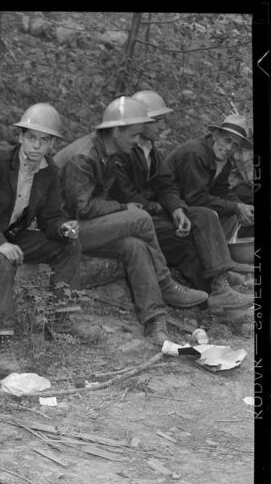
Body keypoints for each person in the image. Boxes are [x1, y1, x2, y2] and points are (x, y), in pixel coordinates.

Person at [53, 96, 208, 345]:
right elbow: (80, 208)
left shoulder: (110, 153)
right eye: (134, 135)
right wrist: (124, 207)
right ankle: (165, 284)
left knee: (134, 246)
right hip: (63, 231)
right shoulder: (84, 156)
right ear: (116, 131)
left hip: (83, 229)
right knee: (140, 218)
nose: (138, 140)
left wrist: (122, 209)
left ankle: (155, 321)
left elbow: (99, 201)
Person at [0, 104, 92, 374]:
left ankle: (60, 320)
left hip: (13, 234)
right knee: (1, 261)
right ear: (20, 137)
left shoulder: (50, 172)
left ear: (52, 144)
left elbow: (52, 216)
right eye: (31, 138)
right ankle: (0, 339)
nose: (36, 146)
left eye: (44, 140)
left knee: (69, 246)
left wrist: (63, 228)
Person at [109, 91, 251, 315]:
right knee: (196, 229)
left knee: (204, 216)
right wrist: (160, 206)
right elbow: (126, 195)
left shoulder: (149, 150)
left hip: (163, 210)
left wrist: (176, 209)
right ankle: (214, 294)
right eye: (158, 121)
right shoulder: (124, 151)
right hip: (137, 217)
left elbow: (165, 185)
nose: (161, 126)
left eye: (235, 145)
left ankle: (220, 286)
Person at [167, 113, 256, 241]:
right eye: (227, 140)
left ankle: (228, 252)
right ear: (216, 135)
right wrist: (236, 207)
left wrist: (241, 206)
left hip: (187, 203)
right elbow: (195, 198)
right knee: (212, 214)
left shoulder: (224, 161)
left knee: (238, 214)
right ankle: (217, 257)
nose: (229, 148)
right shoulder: (195, 152)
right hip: (170, 205)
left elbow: (222, 190)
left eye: (236, 145)